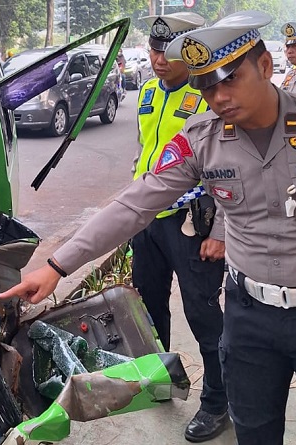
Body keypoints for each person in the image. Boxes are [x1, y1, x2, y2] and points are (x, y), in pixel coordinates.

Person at [0, 10, 296, 445]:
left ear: (264, 65)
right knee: (255, 434)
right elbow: (135, 204)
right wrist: (57, 266)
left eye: (230, 79)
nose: (220, 97)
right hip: (250, 321)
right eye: (207, 86)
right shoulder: (202, 140)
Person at [131, 11, 228, 443]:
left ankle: (218, 401)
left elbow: (229, 168)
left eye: (166, 53)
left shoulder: (209, 97)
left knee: (203, 314)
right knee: (149, 309)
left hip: (193, 222)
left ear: (189, 53)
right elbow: (144, 152)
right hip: (148, 222)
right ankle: (162, 380)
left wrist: (220, 231)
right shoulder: (147, 92)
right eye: (153, 50)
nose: (157, 60)